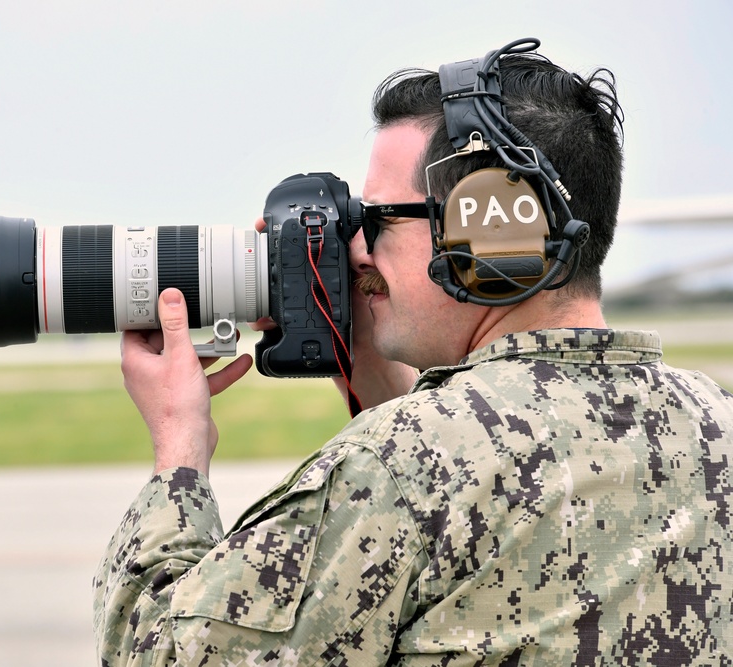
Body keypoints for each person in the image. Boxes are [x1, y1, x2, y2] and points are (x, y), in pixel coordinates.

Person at [92, 43, 733, 665]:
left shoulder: (395, 468)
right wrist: (367, 356)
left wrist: (179, 446)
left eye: (375, 221)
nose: (358, 252)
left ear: (491, 227)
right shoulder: (714, 422)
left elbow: (157, 653)